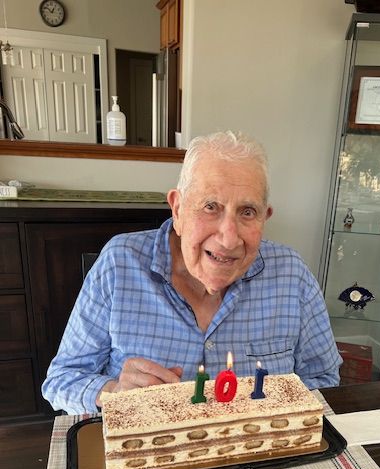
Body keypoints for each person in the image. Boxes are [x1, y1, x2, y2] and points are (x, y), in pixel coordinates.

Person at [42, 131, 341, 414]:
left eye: (247, 212)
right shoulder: (119, 264)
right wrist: (112, 391)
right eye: (211, 207)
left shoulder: (292, 275)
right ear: (177, 209)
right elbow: (62, 380)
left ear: (265, 217)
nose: (228, 238)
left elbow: (323, 379)